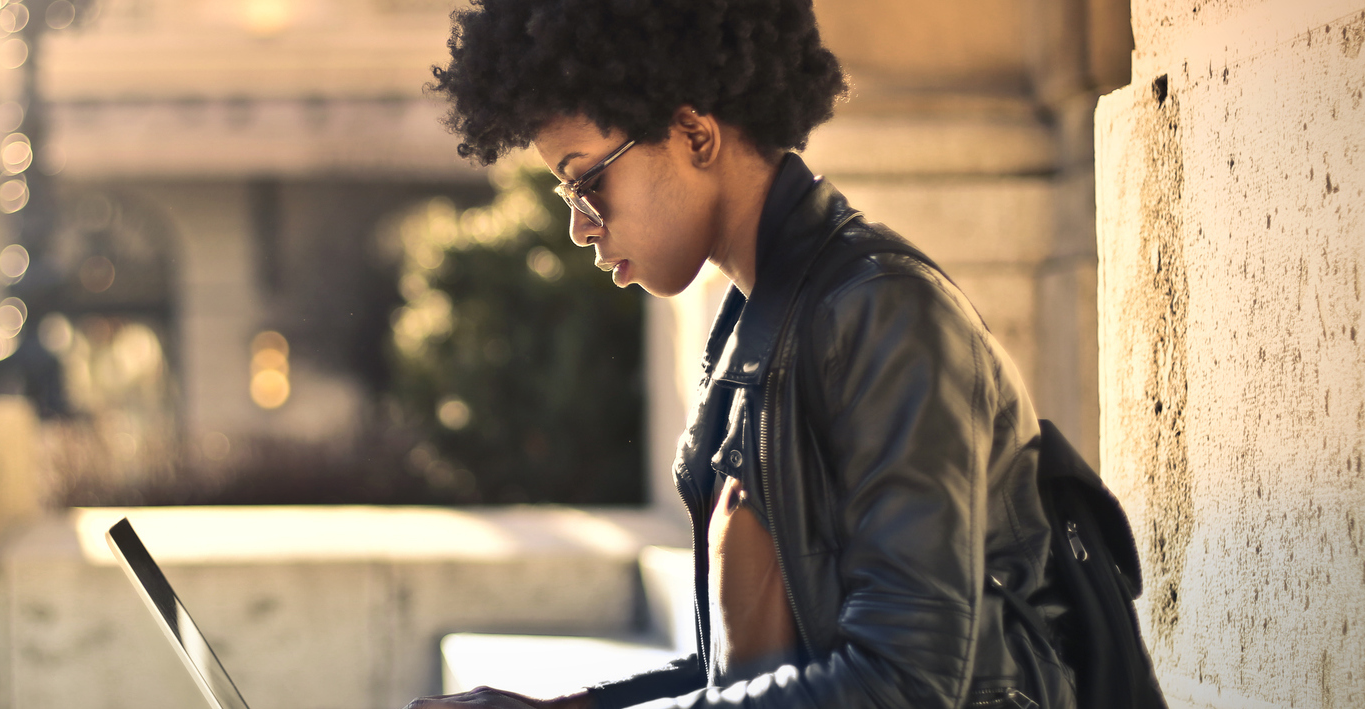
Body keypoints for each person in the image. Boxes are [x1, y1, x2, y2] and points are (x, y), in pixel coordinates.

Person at [406, 0, 1072, 707]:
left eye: (589, 183)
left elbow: (906, 682)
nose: (580, 227)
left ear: (695, 136)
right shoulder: (753, 329)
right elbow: (742, 671)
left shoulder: (884, 314)